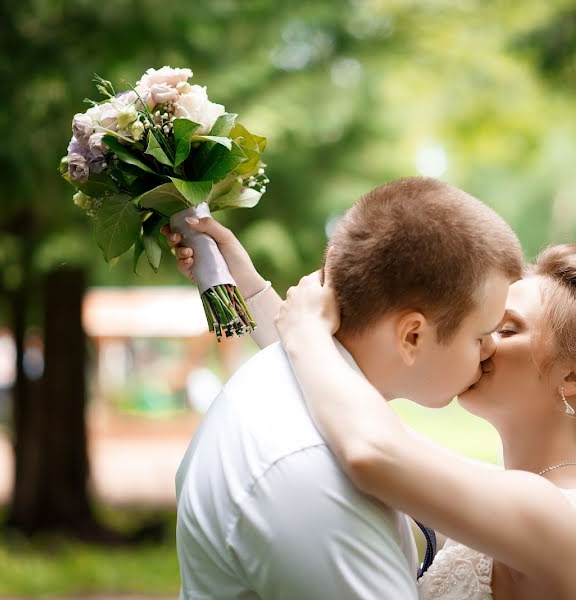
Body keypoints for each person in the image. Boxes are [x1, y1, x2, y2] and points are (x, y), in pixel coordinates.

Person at [273, 243, 576, 600]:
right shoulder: (513, 494)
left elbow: (370, 449)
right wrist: (231, 278)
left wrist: (306, 334)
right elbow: (354, 411)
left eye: (505, 329)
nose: (479, 339)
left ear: (575, 374)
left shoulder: (571, 522)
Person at [167, 177, 524, 598]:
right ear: (412, 336)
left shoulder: (304, 388)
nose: (487, 353)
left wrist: (250, 285)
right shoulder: (312, 480)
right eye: (480, 336)